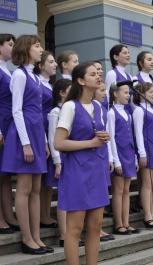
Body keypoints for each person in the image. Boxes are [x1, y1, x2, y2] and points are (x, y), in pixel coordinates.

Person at [54, 61, 110, 264]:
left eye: (99, 73)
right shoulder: (70, 106)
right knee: (75, 229)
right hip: (77, 173)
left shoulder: (99, 107)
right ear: (80, 80)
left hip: (97, 170)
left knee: (96, 227)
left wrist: (104, 138)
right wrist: (91, 142)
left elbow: (97, 139)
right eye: (92, 74)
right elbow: (59, 143)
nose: (98, 76)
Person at [2, 35, 50, 254]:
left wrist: (45, 141)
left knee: (36, 188)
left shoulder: (35, 76)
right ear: (26, 49)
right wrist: (26, 143)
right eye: (37, 46)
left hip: (37, 134)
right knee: (23, 188)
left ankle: (37, 237)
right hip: (25, 136)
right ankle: (27, 238)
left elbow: (38, 112)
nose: (41, 50)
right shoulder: (19, 75)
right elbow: (17, 110)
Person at [108, 84, 140, 235]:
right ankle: (118, 223)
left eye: (129, 93)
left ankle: (126, 222)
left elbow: (131, 138)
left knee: (126, 190)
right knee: (118, 191)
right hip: (118, 154)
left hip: (128, 153)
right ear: (115, 94)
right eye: (125, 93)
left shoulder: (127, 113)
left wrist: (134, 158)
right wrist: (116, 160)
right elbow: (111, 138)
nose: (128, 95)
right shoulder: (111, 113)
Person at [133, 82, 153, 228]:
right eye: (151, 91)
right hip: (147, 147)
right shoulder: (139, 111)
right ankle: (147, 215)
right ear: (142, 94)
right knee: (147, 183)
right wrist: (142, 153)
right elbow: (138, 132)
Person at [33, 51, 59, 229]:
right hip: (41, 126)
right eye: (51, 61)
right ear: (41, 65)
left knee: (47, 177)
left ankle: (45, 213)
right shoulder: (38, 83)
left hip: (49, 126)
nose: (55, 64)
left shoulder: (49, 85)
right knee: (41, 177)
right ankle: (41, 214)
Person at [47, 78, 72, 247]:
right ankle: (64, 235)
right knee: (63, 195)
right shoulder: (55, 112)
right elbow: (52, 138)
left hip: (70, 156)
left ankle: (70, 233)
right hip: (60, 158)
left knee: (70, 195)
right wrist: (57, 162)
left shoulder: (69, 110)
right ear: (62, 93)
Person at [0, 33, 18, 234]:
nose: (13, 48)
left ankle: (9, 215)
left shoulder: (9, 71)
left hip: (8, 124)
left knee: (5, 175)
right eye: (10, 44)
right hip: (0, 124)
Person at [93, 80, 115, 242]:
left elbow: (107, 136)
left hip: (102, 153)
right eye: (101, 90)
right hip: (93, 154)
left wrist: (110, 157)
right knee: (95, 193)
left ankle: (98, 228)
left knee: (101, 193)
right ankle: (95, 229)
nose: (104, 93)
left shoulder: (102, 109)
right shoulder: (92, 107)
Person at [105, 44, 134, 114]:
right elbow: (109, 96)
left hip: (128, 112)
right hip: (117, 113)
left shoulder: (129, 76)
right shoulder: (112, 74)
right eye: (125, 53)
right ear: (116, 57)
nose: (128, 55)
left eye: (128, 53)